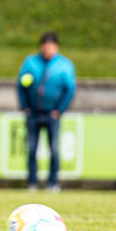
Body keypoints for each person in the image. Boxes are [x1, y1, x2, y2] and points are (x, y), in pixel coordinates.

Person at [17, 32, 76, 193]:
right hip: (33, 113)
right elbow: (21, 84)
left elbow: (70, 89)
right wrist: (25, 107)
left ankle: (52, 183)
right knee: (31, 149)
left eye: (50, 46)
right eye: (44, 45)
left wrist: (59, 109)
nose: (47, 49)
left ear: (56, 47)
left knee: (54, 150)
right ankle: (32, 183)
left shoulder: (64, 65)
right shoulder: (31, 62)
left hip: (52, 114)